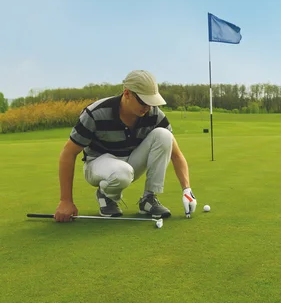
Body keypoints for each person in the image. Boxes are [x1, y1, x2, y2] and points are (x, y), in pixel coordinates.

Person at [54, 70, 197, 222]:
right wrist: (65, 201)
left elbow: (176, 154)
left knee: (165, 135)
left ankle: (149, 199)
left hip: (129, 163)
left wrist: (187, 190)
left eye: (151, 102)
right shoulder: (96, 113)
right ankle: (106, 196)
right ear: (127, 93)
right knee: (122, 172)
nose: (148, 107)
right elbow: (68, 153)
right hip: (97, 164)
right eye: (143, 101)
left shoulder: (154, 114)